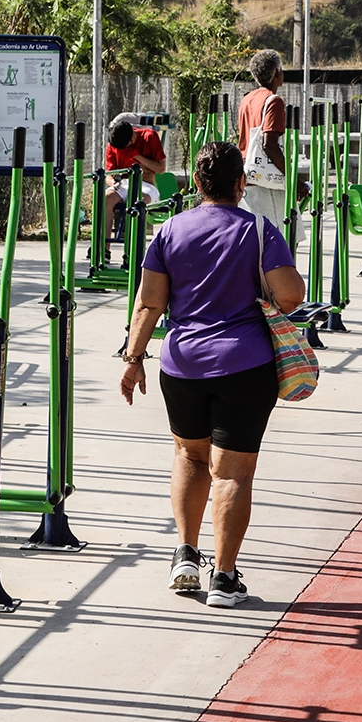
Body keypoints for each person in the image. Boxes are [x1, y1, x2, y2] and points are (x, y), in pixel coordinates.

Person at [122, 140, 306, 608]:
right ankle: (224, 578)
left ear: (197, 184)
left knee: (189, 455)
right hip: (245, 365)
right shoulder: (260, 230)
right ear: (241, 184)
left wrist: (133, 358)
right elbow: (291, 296)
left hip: (182, 365)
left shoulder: (169, 232)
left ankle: (185, 554)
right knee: (233, 473)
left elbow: (149, 302)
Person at [234, 49, 299, 247]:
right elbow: (269, 145)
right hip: (268, 183)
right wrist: (293, 179)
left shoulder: (247, 99)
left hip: (248, 175)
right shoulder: (274, 101)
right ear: (277, 73)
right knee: (280, 241)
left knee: (255, 243)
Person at [102, 113, 166, 258]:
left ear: (131, 139)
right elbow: (109, 174)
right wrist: (114, 182)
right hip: (124, 183)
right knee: (106, 198)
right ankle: (103, 248)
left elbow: (160, 168)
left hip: (146, 185)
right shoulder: (114, 144)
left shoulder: (149, 136)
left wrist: (137, 156)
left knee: (138, 200)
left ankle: (133, 250)